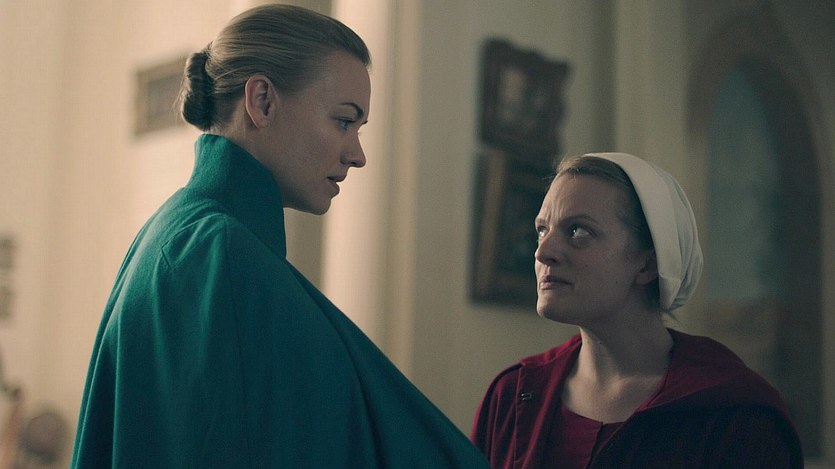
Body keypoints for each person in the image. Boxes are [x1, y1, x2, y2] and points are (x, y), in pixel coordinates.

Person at [71, 5, 488, 467]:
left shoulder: (175, 228)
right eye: (343, 121)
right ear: (263, 101)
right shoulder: (221, 252)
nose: (357, 155)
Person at [471, 153, 803, 468]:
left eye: (578, 231)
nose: (543, 252)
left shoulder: (736, 416)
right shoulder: (514, 395)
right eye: (542, 230)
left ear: (648, 264)